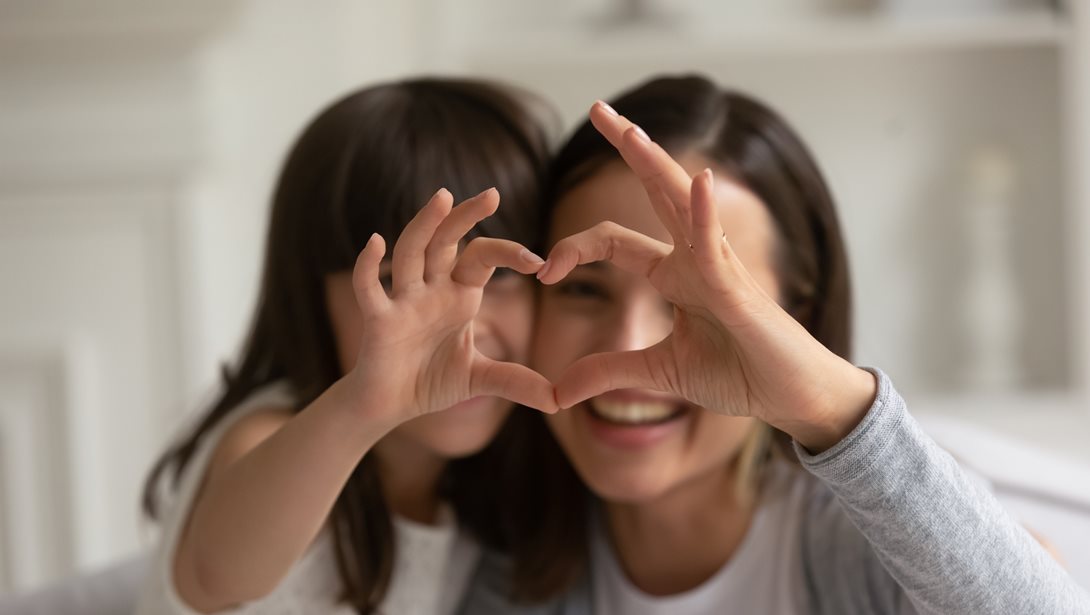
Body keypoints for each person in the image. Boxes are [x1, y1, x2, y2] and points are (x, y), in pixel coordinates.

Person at [459, 76, 1090, 614]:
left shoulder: (887, 541)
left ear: (800, 322)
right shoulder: (500, 567)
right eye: (584, 292)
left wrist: (832, 408)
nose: (629, 351)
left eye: (698, 305)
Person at [136, 77, 558, 614]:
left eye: (495, 275)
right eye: (396, 281)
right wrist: (365, 404)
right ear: (312, 296)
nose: (460, 327)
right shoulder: (268, 437)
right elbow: (219, 574)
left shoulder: (481, 494)